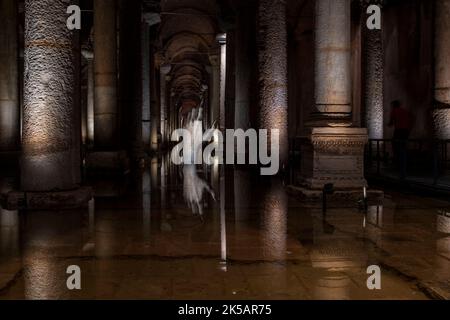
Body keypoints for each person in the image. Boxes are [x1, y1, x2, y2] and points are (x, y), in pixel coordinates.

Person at [388, 100, 414, 178]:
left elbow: (391, 122)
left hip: (399, 131)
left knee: (396, 146)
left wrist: (389, 124)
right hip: (405, 131)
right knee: (403, 147)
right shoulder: (404, 111)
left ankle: (399, 165)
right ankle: (405, 165)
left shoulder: (394, 111)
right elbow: (410, 118)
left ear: (394, 105)